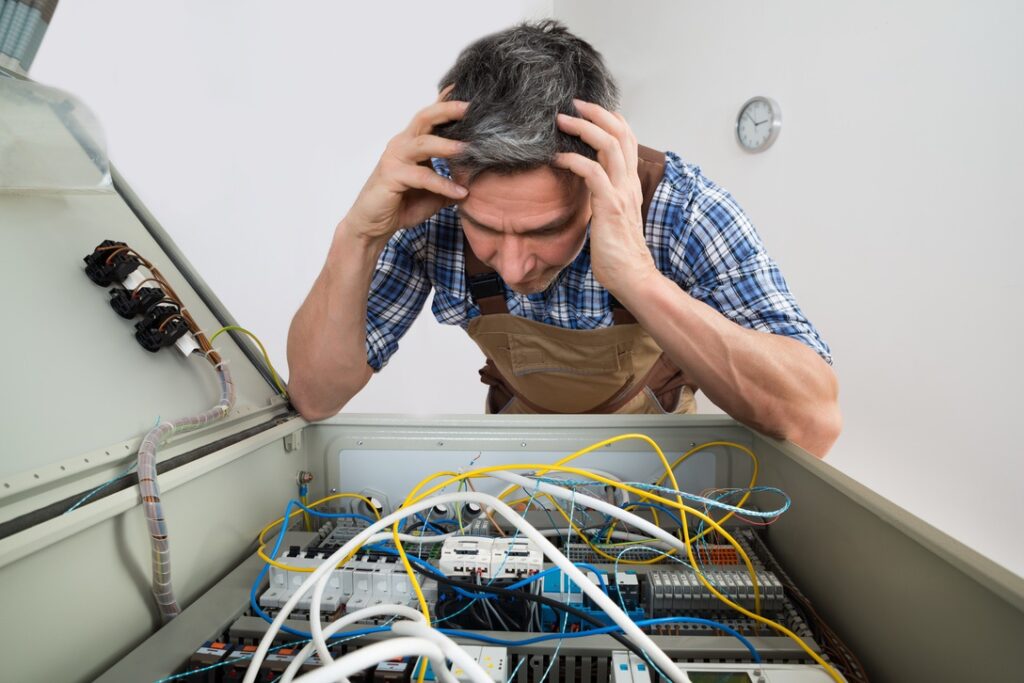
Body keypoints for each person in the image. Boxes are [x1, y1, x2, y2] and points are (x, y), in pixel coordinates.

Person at [287, 20, 841, 457]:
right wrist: (357, 235)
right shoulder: (431, 203)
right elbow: (315, 396)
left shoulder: (681, 209)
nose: (511, 267)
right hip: (517, 470)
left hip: (664, 474)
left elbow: (811, 422)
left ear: (598, 176)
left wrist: (639, 279)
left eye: (543, 230)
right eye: (483, 227)